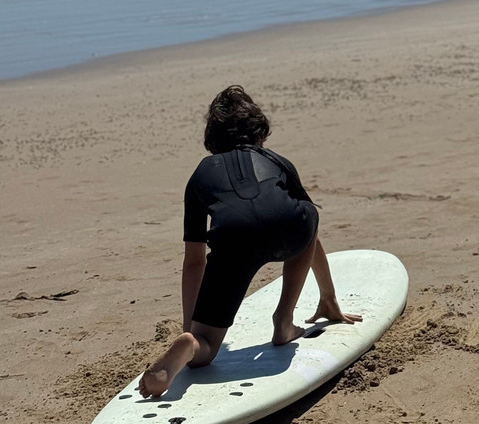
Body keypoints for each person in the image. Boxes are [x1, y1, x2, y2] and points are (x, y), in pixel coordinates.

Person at [138, 86, 360, 398]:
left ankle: (190, 347)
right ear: (259, 133)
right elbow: (311, 234)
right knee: (306, 216)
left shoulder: (201, 173)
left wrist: (192, 328)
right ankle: (284, 321)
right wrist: (328, 296)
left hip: (233, 239)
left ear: (214, 139)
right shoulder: (278, 161)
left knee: (207, 346)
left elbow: (194, 262)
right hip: (289, 227)